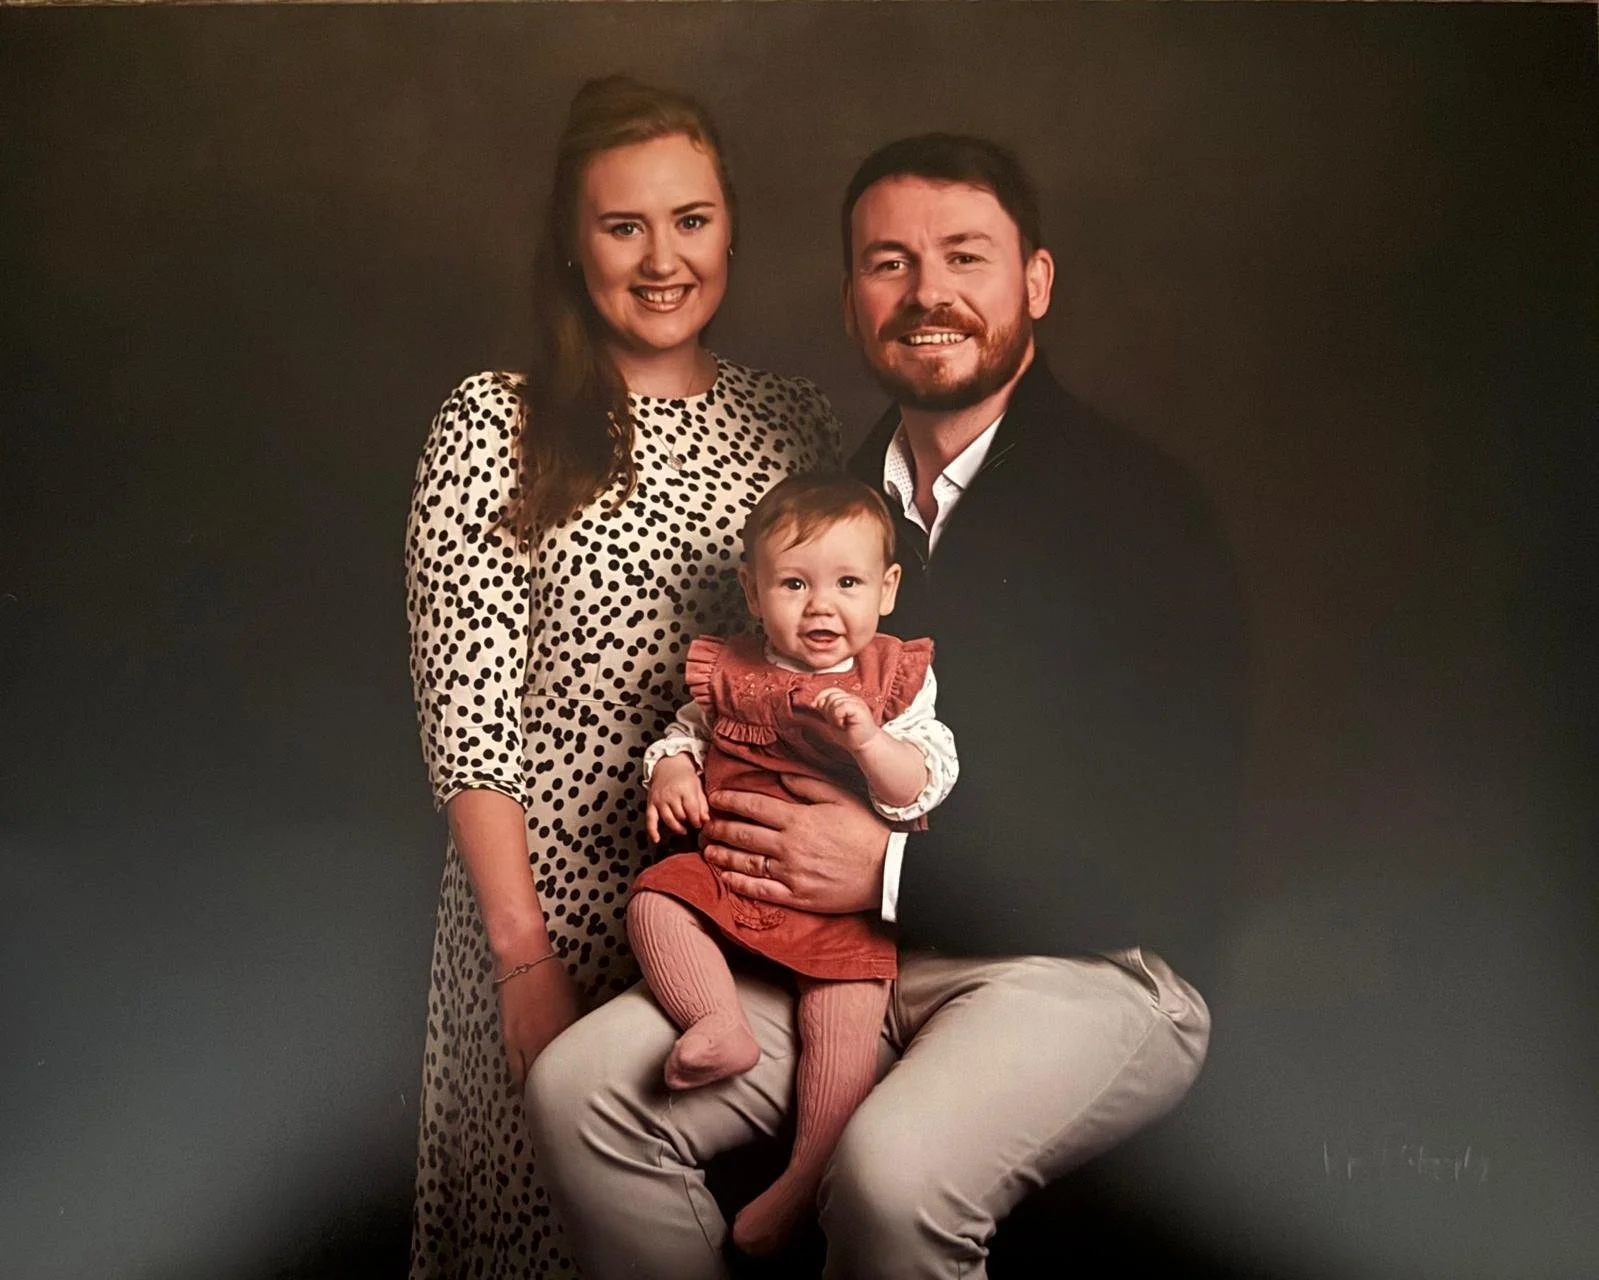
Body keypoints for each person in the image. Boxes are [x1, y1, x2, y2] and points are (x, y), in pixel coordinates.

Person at [527, 133, 1246, 1278]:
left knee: (889, 1177)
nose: (928, 295)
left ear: (1036, 282)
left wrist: (887, 870)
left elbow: (1180, 849)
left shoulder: (1145, 507)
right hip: (844, 953)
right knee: (578, 1093)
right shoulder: (832, 515)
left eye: (966, 256)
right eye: (889, 262)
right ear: (853, 297)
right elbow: (742, 713)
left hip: (1085, 966)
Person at [403, 76, 840, 1280]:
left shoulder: (794, 425)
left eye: (691, 220)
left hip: (746, 929)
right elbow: (469, 728)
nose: (663, 259)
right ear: (569, 241)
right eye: (623, 225)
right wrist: (524, 962)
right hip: (551, 923)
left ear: (732, 230)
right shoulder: (501, 423)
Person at [629, 471, 958, 1255]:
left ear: (885, 589)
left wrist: (869, 743)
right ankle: (717, 1019)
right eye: (793, 583)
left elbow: (924, 782)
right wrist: (670, 771)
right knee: (652, 899)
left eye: (847, 583)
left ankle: (806, 1174)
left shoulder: (893, 678)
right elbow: (683, 733)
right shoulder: (729, 667)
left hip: (841, 903)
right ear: (751, 589)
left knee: (844, 1009)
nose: (820, 605)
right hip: (731, 872)